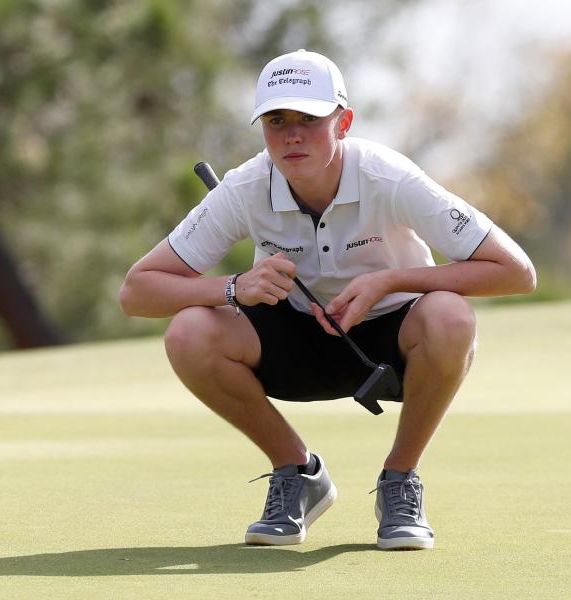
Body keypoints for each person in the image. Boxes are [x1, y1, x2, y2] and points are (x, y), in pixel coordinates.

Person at [119, 49, 536, 550]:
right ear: (262, 128)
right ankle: (298, 472)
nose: (292, 135)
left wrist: (391, 281)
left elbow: (515, 272)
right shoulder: (245, 187)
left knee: (450, 316)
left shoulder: (389, 176)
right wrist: (233, 287)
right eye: (277, 121)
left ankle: (400, 479)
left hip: (390, 341)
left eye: (309, 119)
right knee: (188, 331)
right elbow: (137, 291)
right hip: (292, 341)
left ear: (344, 121)